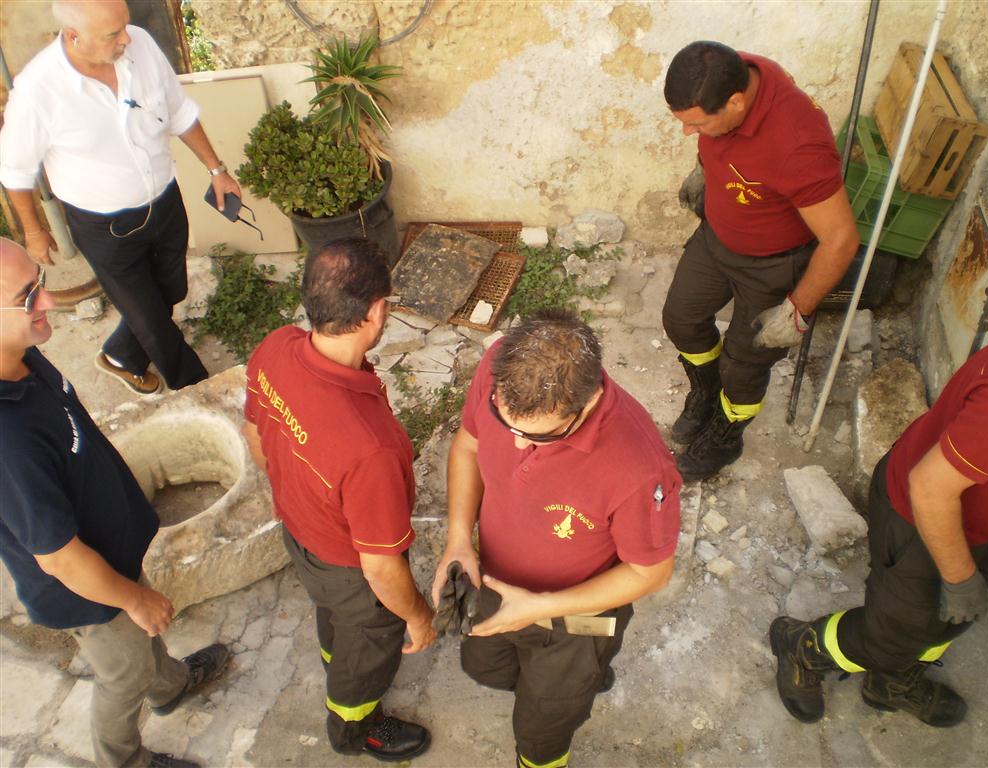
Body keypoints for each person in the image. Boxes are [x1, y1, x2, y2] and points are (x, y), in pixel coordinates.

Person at [0, 237, 230, 768]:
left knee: (145, 641)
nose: (50, 301)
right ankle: (124, 760)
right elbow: (57, 557)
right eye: (28, 294)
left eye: (40, 282)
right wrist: (130, 598)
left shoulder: (20, 356)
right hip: (87, 590)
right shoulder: (6, 441)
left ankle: (170, 686)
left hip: (111, 553)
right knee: (123, 674)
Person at [433, 310, 681, 768]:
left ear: (587, 405)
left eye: (539, 437)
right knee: (486, 666)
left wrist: (542, 606)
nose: (518, 444)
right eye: (507, 425)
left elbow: (651, 572)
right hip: (491, 582)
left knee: (545, 724)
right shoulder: (498, 372)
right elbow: (468, 445)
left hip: (573, 623)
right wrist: (458, 541)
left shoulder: (638, 468)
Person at [770, 325, 988, 727]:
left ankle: (889, 684)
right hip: (921, 519)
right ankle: (802, 647)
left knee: (946, 621)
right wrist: (958, 576)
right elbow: (929, 489)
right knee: (891, 636)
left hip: (983, 522)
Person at [241, 238, 435, 762]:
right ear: (375, 313)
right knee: (370, 641)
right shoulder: (371, 448)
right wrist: (416, 618)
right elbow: (380, 566)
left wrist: (298, 490)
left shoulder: (276, 347)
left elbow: (257, 434)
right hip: (350, 567)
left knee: (334, 616)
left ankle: (336, 657)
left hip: (300, 535)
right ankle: (355, 730)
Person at [0, 0, 242, 395]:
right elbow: (14, 170)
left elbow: (179, 111)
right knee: (152, 322)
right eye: (113, 34)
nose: (127, 38)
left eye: (125, 26)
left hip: (164, 202)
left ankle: (120, 355)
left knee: (172, 291)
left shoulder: (141, 45)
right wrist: (34, 232)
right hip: (104, 227)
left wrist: (217, 170)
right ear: (74, 36)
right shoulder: (38, 91)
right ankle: (204, 390)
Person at [661, 40, 859, 481]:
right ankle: (706, 393)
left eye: (696, 124)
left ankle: (727, 433)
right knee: (681, 318)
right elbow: (720, 147)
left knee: (744, 363)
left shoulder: (798, 146)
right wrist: (704, 171)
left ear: (736, 103)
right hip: (717, 239)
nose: (687, 133)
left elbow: (841, 239)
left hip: (771, 262)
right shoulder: (749, 72)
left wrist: (797, 310)